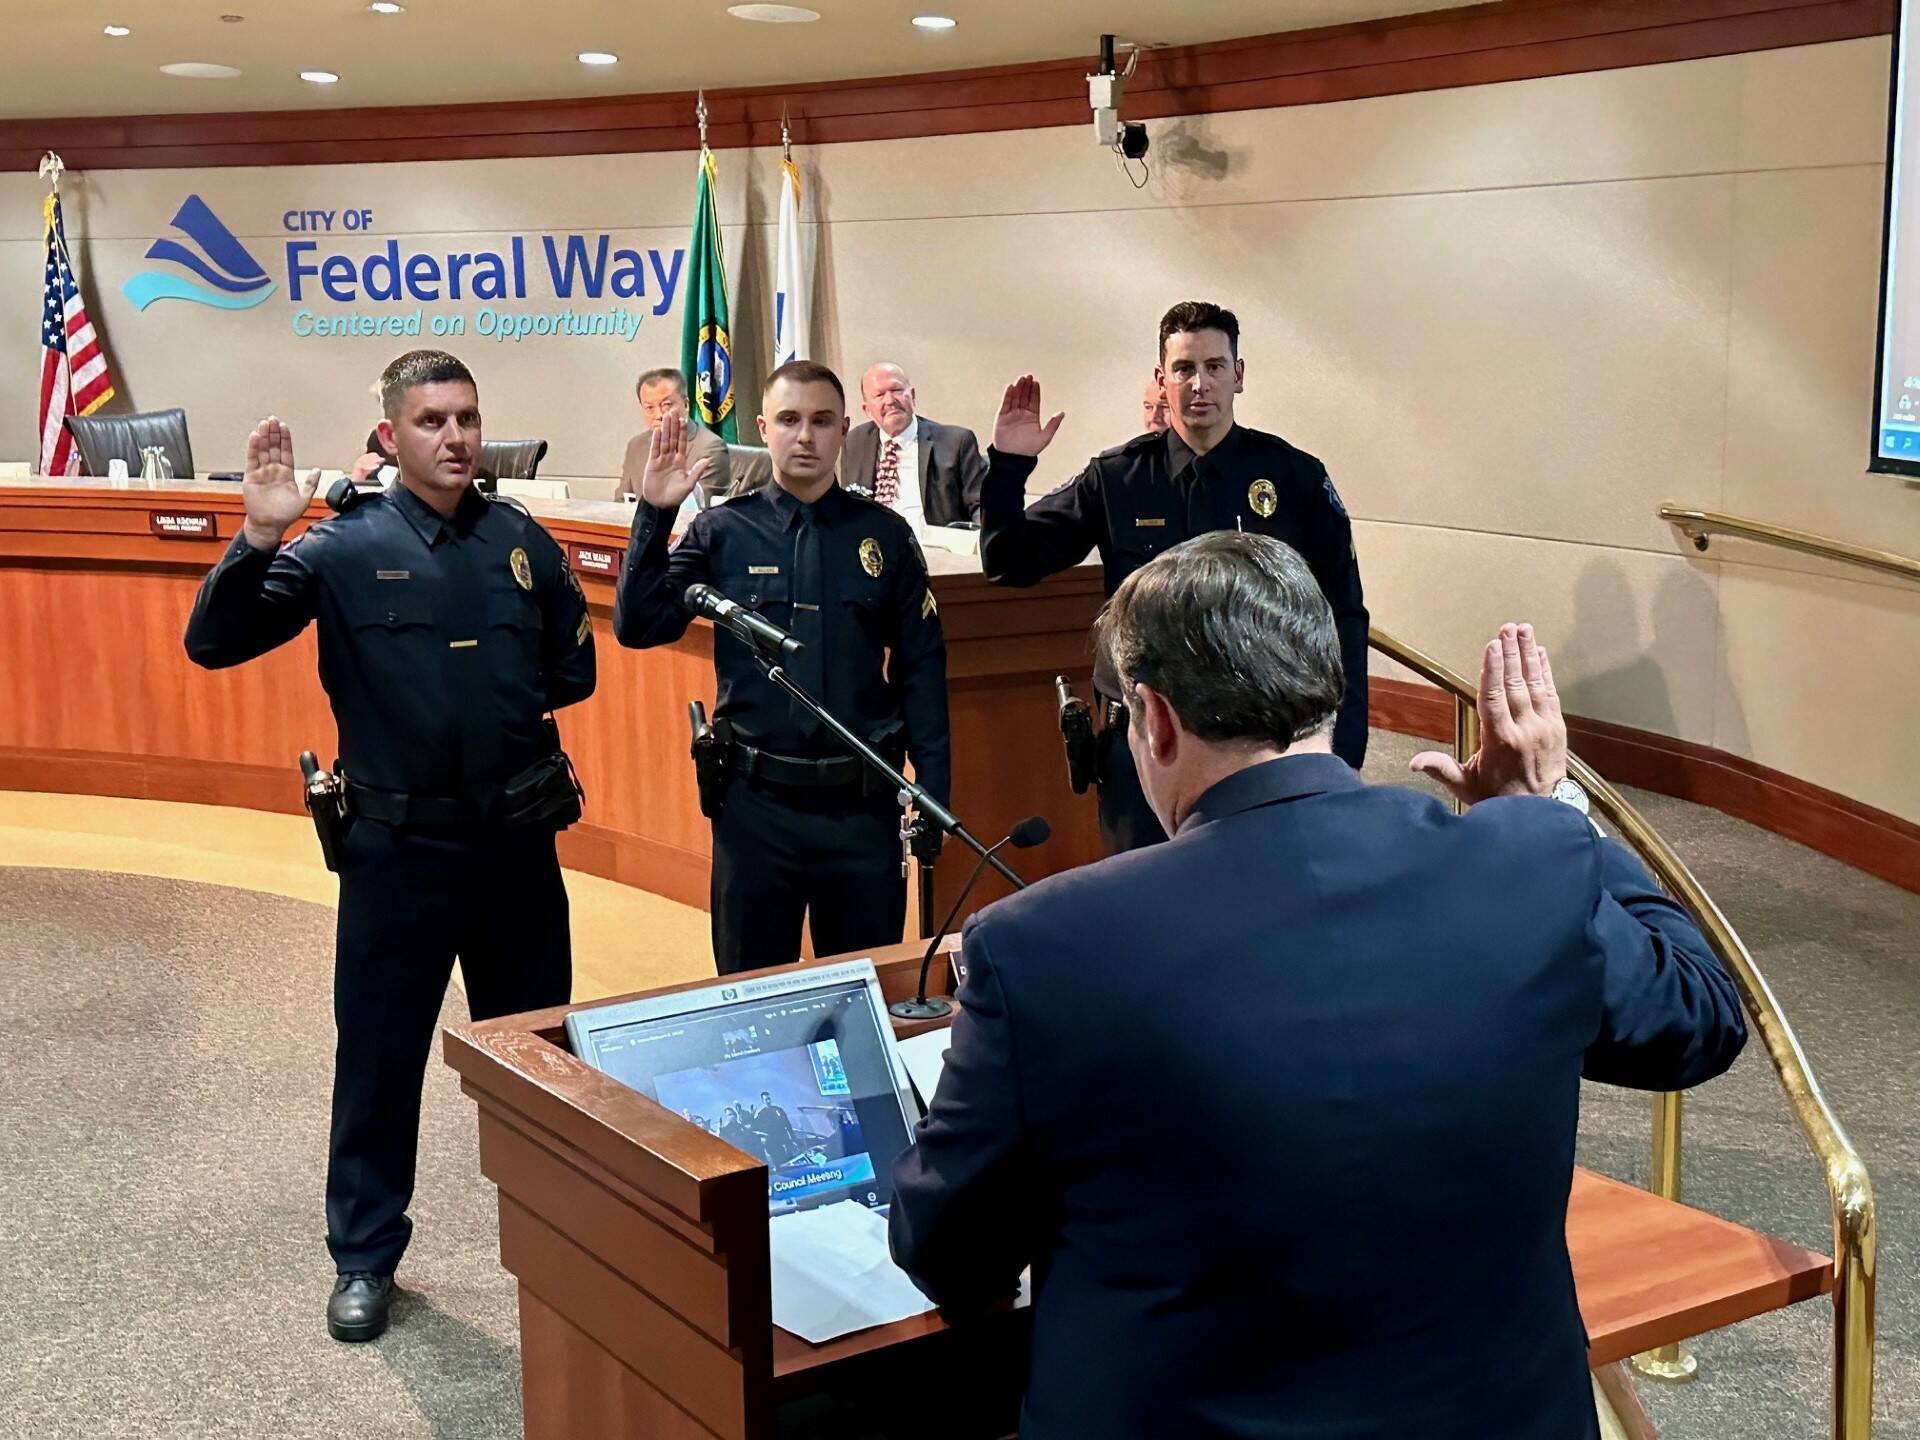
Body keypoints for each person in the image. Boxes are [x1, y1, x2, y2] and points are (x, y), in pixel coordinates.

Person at [890, 532, 1747, 1440]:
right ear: (1326, 691)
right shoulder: (1528, 870)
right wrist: (1543, 809)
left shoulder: (1043, 948)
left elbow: (951, 1255)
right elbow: (1699, 1018)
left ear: (1154, 717)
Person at [183, 349, 595, 1344]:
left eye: (466, 418)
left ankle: (570, 1249)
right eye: (431, 421)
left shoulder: (522, 543)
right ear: (390, 435)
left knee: (540, 1057)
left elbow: (569, 668)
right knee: (378, 1061)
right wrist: (256, 537)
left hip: (514, 852)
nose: (454, 438)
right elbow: (214, 642)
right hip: (397, 855)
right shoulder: (342, 549)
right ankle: (365, 1257)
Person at [979, 300, 1368, 855]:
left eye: (1214, 366)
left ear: (1239, 375)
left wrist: (1344, 742)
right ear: (1162, 382)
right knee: (1140, 911)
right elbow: (1008, 562)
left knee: (1254, 898)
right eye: (1184, 369)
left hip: (1256, 741)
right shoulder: (1117, 478)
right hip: (1142, 744)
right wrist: (1009, 467)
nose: (1199, 383)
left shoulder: (1293, 477)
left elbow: (1343, 614)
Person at [613, 361, 950, 973]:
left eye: (822, 421)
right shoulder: (723, 531)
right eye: (790, 420)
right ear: (764, 428)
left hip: (860, 806)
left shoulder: (885, 535)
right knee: (750, 994)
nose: (805, 436)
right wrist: (655, 515)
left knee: (860, 991)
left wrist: (931, 788)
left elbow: (921, 670)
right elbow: (638, 628)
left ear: (845, 430)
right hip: (756, 808)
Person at [839, 362, 989, 528]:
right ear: (867, 410)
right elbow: (848, 505)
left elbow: (981, 504)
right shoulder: (853, 443)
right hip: (876, 546)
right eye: (879, 395)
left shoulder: (956, 442)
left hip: (936, 546)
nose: (890, 400)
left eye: (896, 390)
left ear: (912, 395)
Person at [619, 366, 732, 501]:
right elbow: (620, 502)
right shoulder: (636, 445)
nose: (659, 415)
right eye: (649, 407)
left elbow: (702, 512)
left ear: (686, 404)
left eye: (666, 405)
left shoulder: (710, 447)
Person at [754, 1091, 799, 1166]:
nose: (768, 1101)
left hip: (784, 1139)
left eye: (769, 1099)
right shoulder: (761, 1114)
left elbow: (788, 1125)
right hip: (774, 1143)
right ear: (762, 1101)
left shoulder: (778, 1110)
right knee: (779, 1163)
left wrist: (793, 1139)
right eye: (765, 1099)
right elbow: (757, 1128)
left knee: (791, 1161)